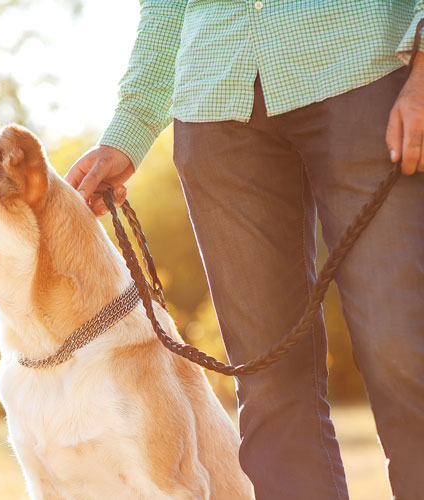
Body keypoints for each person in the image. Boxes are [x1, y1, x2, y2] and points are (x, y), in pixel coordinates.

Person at [65, 2, 424, 499]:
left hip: (360, 64)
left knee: (405, 350)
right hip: (215, 101)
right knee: (268, 384)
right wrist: (131, 125)